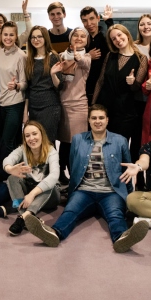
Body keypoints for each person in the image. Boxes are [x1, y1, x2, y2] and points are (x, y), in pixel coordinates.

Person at [24, 105, 150, 253]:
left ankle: (122, 238)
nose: (98, 121)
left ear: (107, 120)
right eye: (94, 118)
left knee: (116, 216)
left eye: (101, 118)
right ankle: (54, 233)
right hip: (84, 190)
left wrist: (128, 199)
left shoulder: (120, 141)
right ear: (89, 120)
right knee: (70, 212)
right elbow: (73, 167)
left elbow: (127, 170)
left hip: (111, 191)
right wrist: (72, 194)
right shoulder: (78, 140)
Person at [92, 24, 148, 187]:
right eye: (113, 38)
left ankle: (130, 184)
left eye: (119, 35)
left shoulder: (140, 58)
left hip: (127, 110)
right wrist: (94, 105)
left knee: (126, 149)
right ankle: (109, 181)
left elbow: (137, 87)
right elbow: (101, 81)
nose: (117, 39)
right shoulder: (110, 56)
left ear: (127, 34)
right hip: (107, 109)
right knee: (108, 148)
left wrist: (133, 82)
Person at [3, 121, 60, 236]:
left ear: (41, 135)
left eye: (34, 134)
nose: (31, 138)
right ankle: (26, 216)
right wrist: (10, 169)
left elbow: (54, 176)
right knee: (12, 178)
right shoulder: (23, 149)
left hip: (49, 197)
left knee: (49, 183)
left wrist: (32, 194)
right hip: (29, 198)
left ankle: (22, 219)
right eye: (27, 135)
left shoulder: (51, 151)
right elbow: (7, 160)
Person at [57, 28, 91, 188]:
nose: (79, 38)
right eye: (75, 35)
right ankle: (61, 173)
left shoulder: (88, 57)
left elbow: (84, 63)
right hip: (62, 103)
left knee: (76, 144)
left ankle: (75, 176)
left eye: (83, 36)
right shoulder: (61, 56)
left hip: (79, 106)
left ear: (87, 40)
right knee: (64, 142)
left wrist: (78, 57)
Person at [23, 25, 63, 143]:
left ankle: (52, 162)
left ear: (45, 38)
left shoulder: (53, 56)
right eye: (33, 37)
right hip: (34, 106)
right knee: (35, 142)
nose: (36, 40)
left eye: (39, 36)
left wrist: (53, 74)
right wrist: (26, 112)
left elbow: (59, 85)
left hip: (50, 105)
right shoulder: (29, 58)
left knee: (48, 141)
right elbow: (28, 89)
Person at [0, 21, 27, 149]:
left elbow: (25, 83)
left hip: (15, 103)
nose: (8, 38)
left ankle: (6, 168)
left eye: (11, 35)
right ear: (1, 35)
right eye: (5, 34)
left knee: (7, 140)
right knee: (2, 140)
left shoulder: (21, 55)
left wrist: (16, 85)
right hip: (1, 103)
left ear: (16, 36)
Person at [80, 6, 111, 105]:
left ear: (98, 18)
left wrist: (109, 21)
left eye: (91, 18)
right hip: (84, 89)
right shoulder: (82, 41)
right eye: (85, 21)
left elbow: (115, 36)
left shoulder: (106, 38)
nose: (89, 24)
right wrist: (88, 56)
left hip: (104, 88)